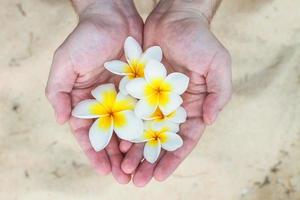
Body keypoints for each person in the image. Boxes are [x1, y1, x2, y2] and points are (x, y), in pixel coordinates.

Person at [45, 0, 232, 187]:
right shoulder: (132, 93)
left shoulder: (147, 97)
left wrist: (187, 10)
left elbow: (139, 99)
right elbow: (135, 97)